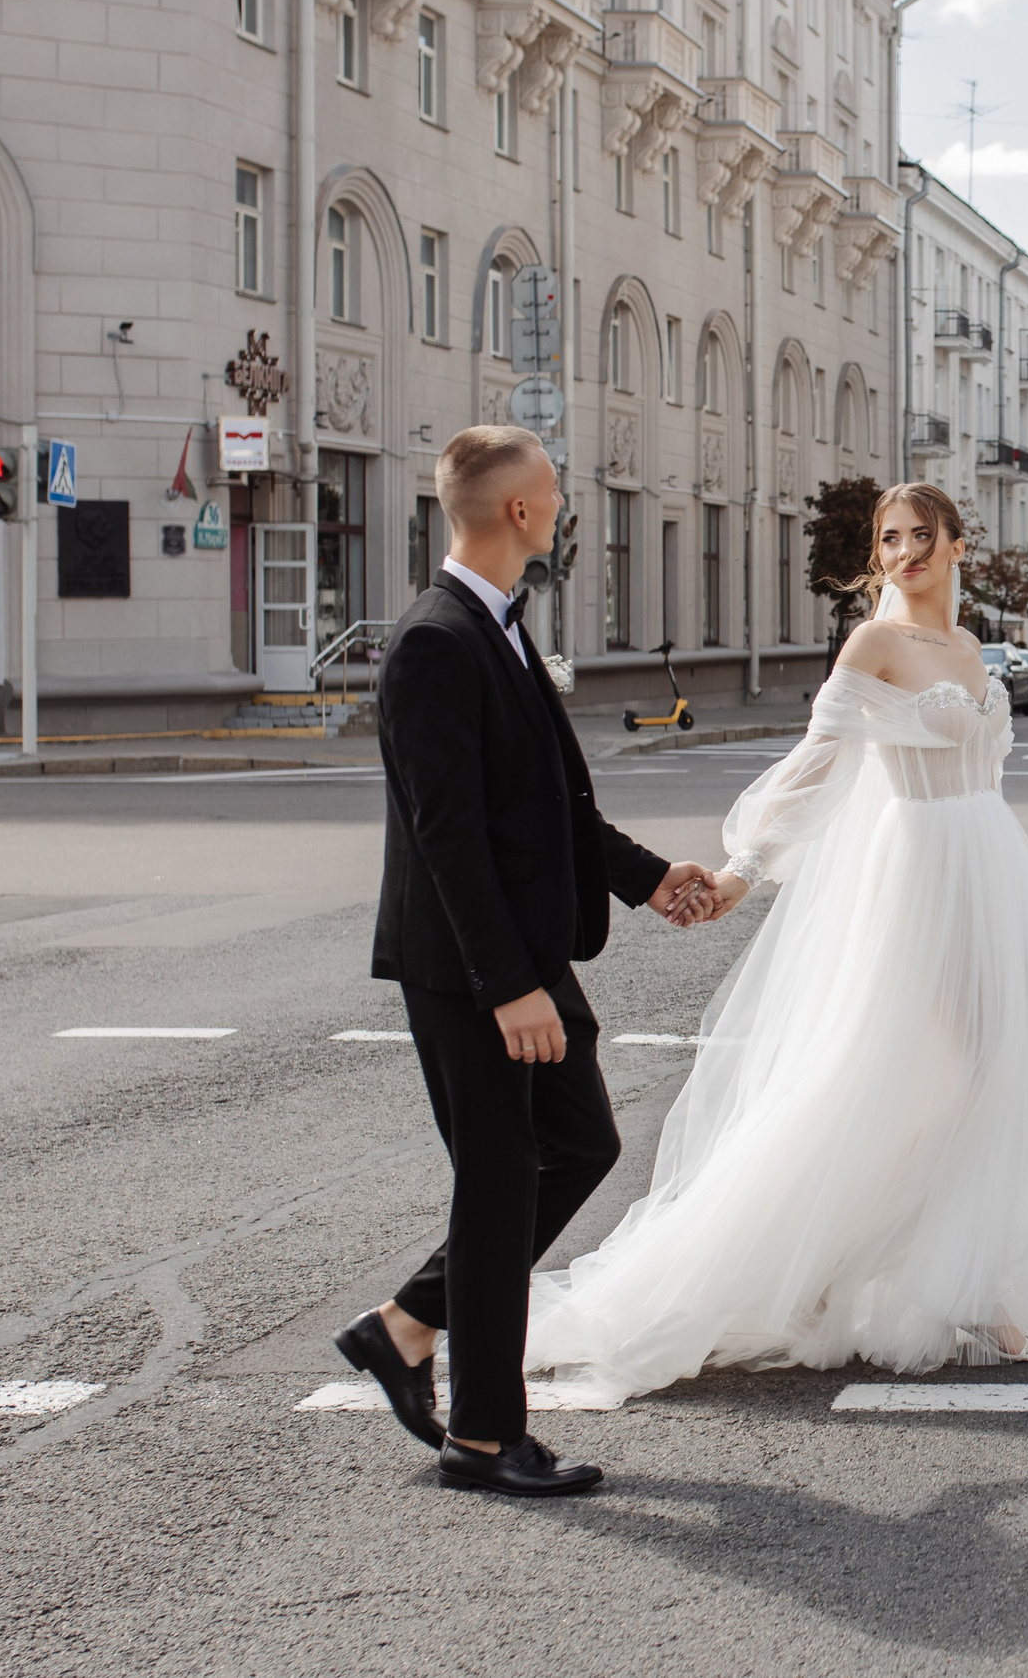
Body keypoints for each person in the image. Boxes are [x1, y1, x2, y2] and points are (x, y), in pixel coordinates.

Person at [522, 482, 1028, 1402]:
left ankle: (901, 1266)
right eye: (890, 538)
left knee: (987, 1072)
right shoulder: (874, 643)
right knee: (929, 1073)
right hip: (919, 869)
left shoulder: (968, 647)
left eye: (922, 535)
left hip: (990, 868)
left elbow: (977, 764)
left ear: (959, 543)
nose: (905, 551)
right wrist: (742, 873)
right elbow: (816, 766)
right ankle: (921, 1276)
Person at [334, 425, 719, 1498]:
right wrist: (507, 987)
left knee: (577, 1143)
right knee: (501, 1181)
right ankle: (485, 1436)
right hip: (472, 967)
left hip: (520, 952)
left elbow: (548, 806)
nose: (561, 505)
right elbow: (445, 832)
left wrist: (649, 878)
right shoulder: (435, 641)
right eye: (553, 491)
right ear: (518, 511)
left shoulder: (494, 627)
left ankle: (407, 1324)